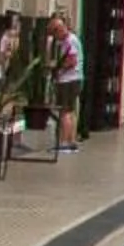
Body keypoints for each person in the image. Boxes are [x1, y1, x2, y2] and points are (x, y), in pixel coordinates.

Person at [46, 14, 84, 151]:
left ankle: (64, 142)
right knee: (70, 111)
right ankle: (71, 140)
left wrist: (56, 66)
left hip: (68, 80)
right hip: (75, 79)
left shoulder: (69, 41)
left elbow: (72, 61)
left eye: (54, 33)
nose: (55, 37)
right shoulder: (70, 39)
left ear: (59, 30)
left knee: (65, 111)